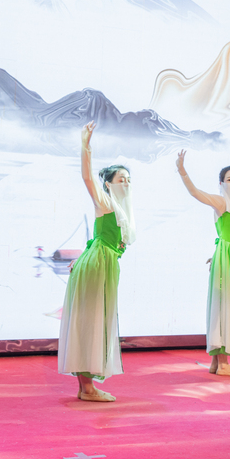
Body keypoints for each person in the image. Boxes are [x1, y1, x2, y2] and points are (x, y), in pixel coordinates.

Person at [58, 122, 135, 401]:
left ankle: (86, 386)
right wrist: (85, 145)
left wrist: (82, 257)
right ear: (108, 184)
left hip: (102, 263)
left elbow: (99, 239)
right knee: (91, 321)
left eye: (128, 179)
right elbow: (87, 178)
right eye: (120, 179)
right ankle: (88, 388)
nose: (126, 183)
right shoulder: (105, 202)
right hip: (99, 265)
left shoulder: (123, 211)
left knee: (94, 320)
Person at [176, 150, 230, 376]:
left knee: (226, 305)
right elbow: (195, 193)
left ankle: (216, 362)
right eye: (229, 179)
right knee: (224, 306)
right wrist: (182, 170)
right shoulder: (221, 202)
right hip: (228, 258)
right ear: (221, 184)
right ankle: (224, 364)